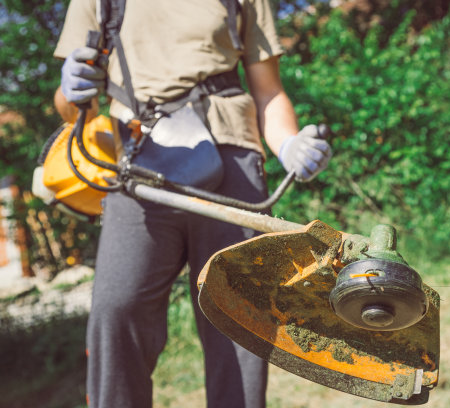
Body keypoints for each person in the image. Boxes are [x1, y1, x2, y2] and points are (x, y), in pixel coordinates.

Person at [53, 0, 332, 407]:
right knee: (116, 310)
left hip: (232, 156)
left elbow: (269, 91)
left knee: (237, 318)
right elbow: (71, 109)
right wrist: (69, 89)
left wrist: (288, 144)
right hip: (138, 164)